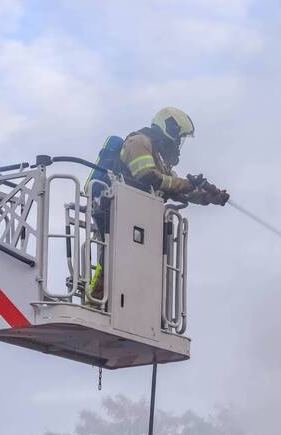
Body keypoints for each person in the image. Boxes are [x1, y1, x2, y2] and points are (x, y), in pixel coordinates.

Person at [86, 107, 228, 303]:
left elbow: (178, 188)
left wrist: (209, 197)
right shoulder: (138, 142)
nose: (179, 142)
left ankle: (123, 304)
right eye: (179, 137)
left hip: (136, 218)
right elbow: (148, 176)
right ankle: (94, 302)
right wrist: (186, 184)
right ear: (168, 128)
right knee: (109, 261)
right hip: (115, 211)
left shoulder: (159, 158)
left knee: (135, 267)